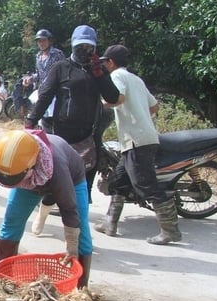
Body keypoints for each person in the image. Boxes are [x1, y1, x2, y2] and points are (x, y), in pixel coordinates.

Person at [26, 25, 119, 234]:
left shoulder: (98, 69)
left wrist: (100, 74)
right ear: (73, 45)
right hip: (62, 137)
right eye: (80, 46)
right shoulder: (61, 67)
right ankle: (42, 214)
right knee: (55, 183)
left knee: (82, 190)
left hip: (89, 137)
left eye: (89, 46)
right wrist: (30, 123)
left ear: (94, 48)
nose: (84, 50)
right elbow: (45, 96)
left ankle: (79, 235)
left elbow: (113, 97)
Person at [0, 129, 93, 288]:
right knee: (12, 221)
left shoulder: (58, 170)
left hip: (72, 178)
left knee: (80, 229)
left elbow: (69, 209)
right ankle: (0, 279)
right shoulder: (4, 147)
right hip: (24, 177)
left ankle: (80, 288)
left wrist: (71, 247)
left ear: (30, 168)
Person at [96, 45, 182, 245]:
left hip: (137, 141)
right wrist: (139, 114)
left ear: (111, 62)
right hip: (138, 138)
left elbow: (119, 98)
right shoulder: (136, 79)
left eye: (105, 62)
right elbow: (155, 106)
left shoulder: (117, 76)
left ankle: (170, 230)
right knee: (118, 183)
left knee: (146, 185)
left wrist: (99, 105)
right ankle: (110, 222)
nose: (105, 66)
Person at [28, 28, 66, 132]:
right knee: (43, 120)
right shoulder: (38, 56)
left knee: (54, 120)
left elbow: (64, 71)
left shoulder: (57, 54)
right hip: (43, 92)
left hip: (56, 92)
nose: (41, 43)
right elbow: (39, 74)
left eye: (44, 40)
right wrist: (31, 79)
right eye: (39, 41)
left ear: (50, 41)